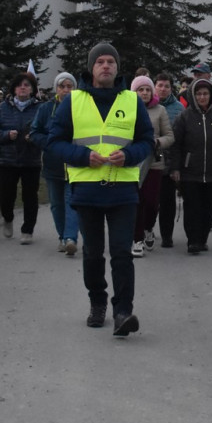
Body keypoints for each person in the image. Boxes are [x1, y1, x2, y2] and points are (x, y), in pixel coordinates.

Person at [47, 43, 153, 336]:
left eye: (111, 62)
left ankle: (123, 312)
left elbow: (147, 140)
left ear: (118, 69)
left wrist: (130, 156)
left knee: (121, 253)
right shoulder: (73, 100)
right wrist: (83, 156)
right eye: (100, 62)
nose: (106, 66)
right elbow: (54, 141)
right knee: (93, 253)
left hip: (123, 191)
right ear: (92, 68)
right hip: (87, 191)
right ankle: (97, 302)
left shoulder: (132, 101)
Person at [169, 79, 212, 255]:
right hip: (190, 171)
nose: (202, 97)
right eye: (199, 94)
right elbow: (175, 145)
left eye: (205, 93)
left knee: (208, 207)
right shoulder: (184, 117)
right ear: (193, 95)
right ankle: (193, 240)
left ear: (211, 95)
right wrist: (175, 168)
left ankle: (203, 238)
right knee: (192, 207)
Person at [0, 72, 43, 244]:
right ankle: (8, 218)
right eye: (20, 85)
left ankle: (28, 230)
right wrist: (6, 135)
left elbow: (47, 130)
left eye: (27, 85)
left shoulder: (40, 108)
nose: (23, 88)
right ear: (14, 89)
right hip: (7, 160)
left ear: (32, 89)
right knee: (6, 196)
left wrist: (35, 138)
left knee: (30, 196)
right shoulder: (3, 108)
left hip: (31, 160)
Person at [29, 72, 81, 256]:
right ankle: (62, 236)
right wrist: (52, 144)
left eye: (70, 86)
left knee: (72, 202)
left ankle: (70, 238)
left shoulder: (82, 107)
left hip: (75, 163)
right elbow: (34, 132)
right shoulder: (45, 109)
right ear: (56, 89)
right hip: (53, 164)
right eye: (62, 86)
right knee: (57, 204)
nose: (66, 90)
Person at [130, 75, 174, 257]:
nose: (145, 93)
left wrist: (157, 142)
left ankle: (149, 227)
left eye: (148, 89)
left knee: (151, 202)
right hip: (133, 163)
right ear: (134, 92)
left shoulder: (160, 110)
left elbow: (170, 137)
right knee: (137, 201)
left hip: (154, 162)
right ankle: (137, 239)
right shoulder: (127, 109)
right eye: (141, 90)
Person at [153, 73, 185, 248]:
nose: (163, 89)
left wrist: (177, 166)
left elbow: (181, 139)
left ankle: (167, 235)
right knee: (150, 201)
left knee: (167, 202)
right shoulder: (145, 106)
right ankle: (147, 230)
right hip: (149, 161)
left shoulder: (179, 108)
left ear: (171, 88)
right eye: (160, 85)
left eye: (166, 86)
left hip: (170, 161)